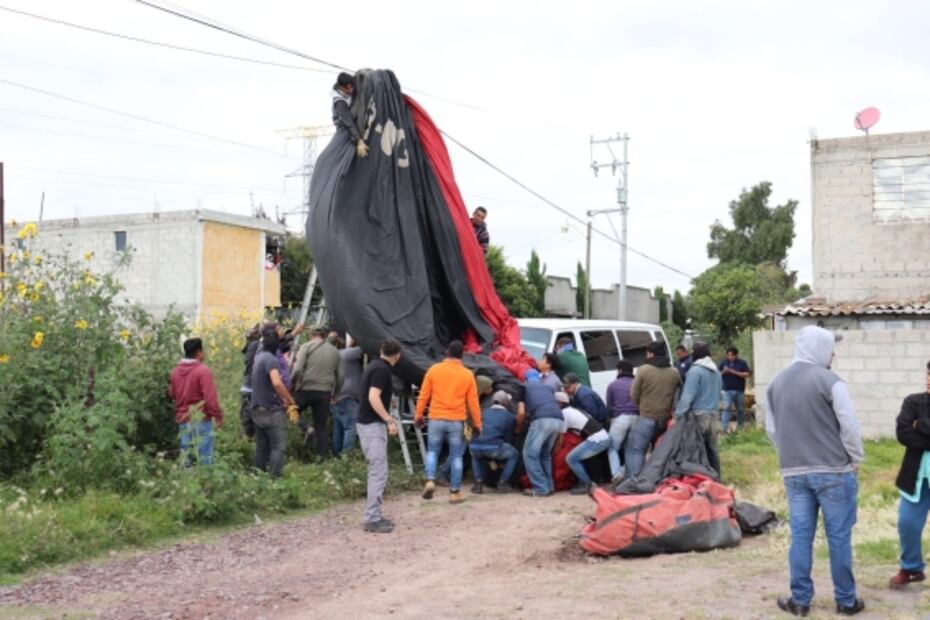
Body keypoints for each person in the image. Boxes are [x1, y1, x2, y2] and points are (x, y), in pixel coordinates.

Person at [766, 326, 865, 617]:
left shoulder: (776, 384)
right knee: (838, 539)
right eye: (830, 347)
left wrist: (791, 452)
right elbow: (849, 426)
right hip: (834, 471)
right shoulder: (830, 381)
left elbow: (772, 430)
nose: (833, 353)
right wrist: (856, 458)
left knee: (800, 537)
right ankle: (846, 601)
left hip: (794, 473)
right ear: (819, 348)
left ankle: (800, 601)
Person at [415, 340, 482, 504]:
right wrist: (477, 424)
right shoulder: (467, 374)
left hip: (436, 418)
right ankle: (454, 492)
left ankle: (430, 479)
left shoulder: (434, 370)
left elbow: (424, 395)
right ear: (462, 356)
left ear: (446, 353)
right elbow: (473, 403)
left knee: (432, 451)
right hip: (456, 421)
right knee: (456, 456)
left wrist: (418, 416)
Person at [889, 360, 930, 589]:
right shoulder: (913, 401)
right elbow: (903, 434)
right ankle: (912, 567)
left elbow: (914, 430)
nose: (929, 379)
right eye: (928, 374)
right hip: (917, 478)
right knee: (907, 523)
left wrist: (921, 425)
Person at [356, 339, 402, 533]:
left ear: (381, 350)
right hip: (372, 425)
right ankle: (371, 518)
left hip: (367, 424)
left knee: (377, 470)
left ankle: (374, 514)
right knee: (378, 471)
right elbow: (373, 396)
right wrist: (389, 419)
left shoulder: (374, 366)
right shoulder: (382, 370)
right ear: (398, 355)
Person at [626, 341, 682, 479]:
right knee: (659, 452)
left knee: (637, 451)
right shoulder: (674, 372)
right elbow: (679, 393)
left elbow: (633, 394)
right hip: (665, 420)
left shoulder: (644, 370)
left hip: (646, 417)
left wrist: (642, 406)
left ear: (650, 354)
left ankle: (635, 481)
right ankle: (656, 480)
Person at [251, 328, 300, 478]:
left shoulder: (258, 356)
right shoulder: (271, 360)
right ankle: (274, 480)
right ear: (277, 345)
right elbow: (277, 383)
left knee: (261, 446)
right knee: (278, 447)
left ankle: (258, 477)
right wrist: (290, 401)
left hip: (256, 409)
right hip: (271, 411)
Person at [169, 338, 224, 466]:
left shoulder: (175, 372)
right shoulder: (203, 371)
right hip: (201, 419)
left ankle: (187, 485)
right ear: (199, 352)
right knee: (205, 459)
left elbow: (172, 394)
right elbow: (211, 399)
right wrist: (218, 416)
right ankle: (205, 485)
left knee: (187, 459)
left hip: (183, 420)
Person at [291, 325, 344, 458]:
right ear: (324, 335)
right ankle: (320, 457)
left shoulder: (306, 347)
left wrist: (291, 384)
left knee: (291, 410)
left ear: (310, 334)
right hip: (324, 392)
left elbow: (297, 369)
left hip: (306, 390)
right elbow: (341, 376)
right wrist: (336, 394)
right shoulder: (334, 351)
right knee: (321, 426)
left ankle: (306, 427)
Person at [674, 341, 723, 478]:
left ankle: (702, 480)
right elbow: (720, 393)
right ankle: (716, 478)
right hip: (714, 414)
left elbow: (687, 397)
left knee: (697, 450)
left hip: (699, 415)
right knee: (712, 449)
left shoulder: (695, 371)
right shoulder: (716, 371)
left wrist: (678, 415)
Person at [518, 370, 564, 497]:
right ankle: (549, 486)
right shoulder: (548, 387)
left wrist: (518, 428)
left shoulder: (523, 387)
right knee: (545, 455)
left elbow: (521, 412)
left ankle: (540, 488)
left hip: (542, 420)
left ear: (526, 379)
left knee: (529, 454)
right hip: (558, 420)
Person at [556, 391, 610, 495]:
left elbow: (561, 437)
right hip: (602, 436)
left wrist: (555, 451)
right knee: (577, 457)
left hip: (596, 439)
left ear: (560, 403)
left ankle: (587, 484)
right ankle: (584, 481)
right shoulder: (574, 410)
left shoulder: (564, 414)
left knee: (570, 458)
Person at [469, 390, 518, 494]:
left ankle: (478, 483)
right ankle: (503, 482)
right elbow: (508, 438)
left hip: (475, 445)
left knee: (476, 455)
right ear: (505, 403)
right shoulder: (509, 416)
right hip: (494, 447)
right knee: (514, 454)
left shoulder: (483, 412)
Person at [605, 360, 638, 481]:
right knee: (631, 449)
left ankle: (617, 474)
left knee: (612, 447)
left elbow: (609, 407)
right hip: (637, 418)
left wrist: (610, 419)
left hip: (620, 418)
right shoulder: (637, 383)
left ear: (619, 370)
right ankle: (630, 475)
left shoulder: (613, 385)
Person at [332, 335, 363, 456]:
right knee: (350, 427)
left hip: (335, 396)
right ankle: (346, 455)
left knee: (338, 427)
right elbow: (363, 349)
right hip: (348, 396)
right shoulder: (346, 354)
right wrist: (357, 337)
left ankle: (336, 454)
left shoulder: (332, 357)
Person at [331, 72, 368, 158]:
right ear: (341, 87)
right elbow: (349, 123)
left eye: (352, 87)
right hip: (345, 127)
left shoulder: (351, 87)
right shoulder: (340, 102)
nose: (350, 90)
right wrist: (359, 140)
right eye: (347, 89)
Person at [719, 346, 752, 432]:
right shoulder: (723, 363)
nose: (730, 357)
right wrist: (723, 372)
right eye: (729, 355)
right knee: (726, 408)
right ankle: (723, 428)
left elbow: (747, 374)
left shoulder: (742, 363)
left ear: (736, 355)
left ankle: (740, 428)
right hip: (727, 390)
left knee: (740, 409)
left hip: (739, 390)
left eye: (732, 355)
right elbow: (717, 374)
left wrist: (734, 372)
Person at [239, 324, 261, 437]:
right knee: (249, 420)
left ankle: (246, 439)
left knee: (246, 418)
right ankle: (246, 441)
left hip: (248, 386)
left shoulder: (250, 346)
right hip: (251, 387)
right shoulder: (255, 345)